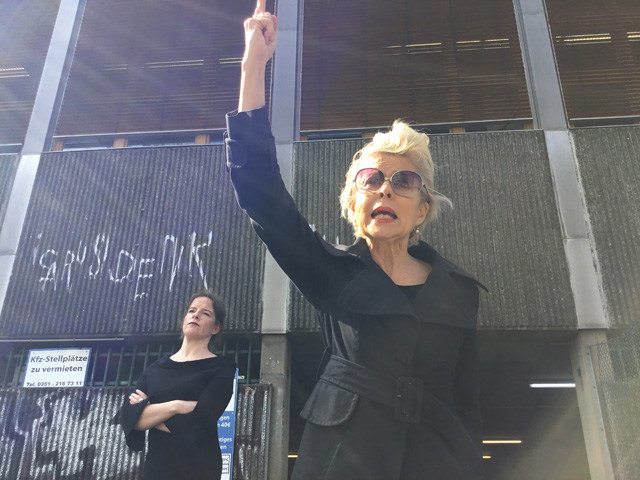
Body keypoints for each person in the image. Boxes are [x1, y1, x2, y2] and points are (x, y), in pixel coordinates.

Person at [225, 2, 486, 478]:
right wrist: (253, 66)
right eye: (371, 179)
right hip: (342, 461)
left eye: (404, 181)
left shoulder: (460, 291)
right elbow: (261, 196)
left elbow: (468, 403)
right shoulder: (332, 273)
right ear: (353, 205)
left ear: (422, 209)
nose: (386, 187)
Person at [120, 291, 236, 480]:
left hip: (199, 470)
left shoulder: (222, 369)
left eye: (205, 313)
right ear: (184, 320)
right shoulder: (154, 370)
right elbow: (130, 419)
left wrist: (148, 412)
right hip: (156, 471)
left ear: (215, 328)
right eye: (192, 310)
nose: (195, 315)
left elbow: (198, 424)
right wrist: (177, 406)